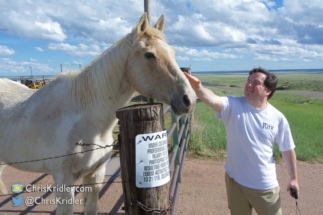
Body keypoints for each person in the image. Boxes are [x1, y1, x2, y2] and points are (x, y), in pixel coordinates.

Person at [184, 68, 299, 215]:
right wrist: (197, 86)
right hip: (235, 182)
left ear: (268, 91)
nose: (249, 85)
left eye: (255, 82)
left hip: (264, 187)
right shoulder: (233, 105)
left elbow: (287, 149)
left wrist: (294, 178)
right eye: (248, 81)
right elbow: (212, 99)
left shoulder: (277, 118)